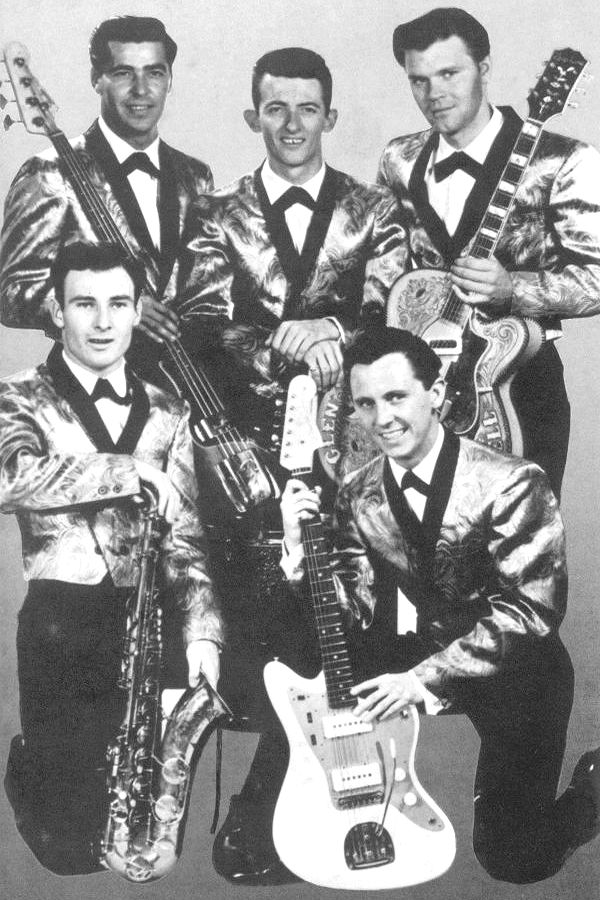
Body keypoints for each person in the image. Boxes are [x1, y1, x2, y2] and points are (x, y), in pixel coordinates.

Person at [176, 47, 409, 885]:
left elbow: (391, 314)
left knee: (349, 615)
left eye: (308, 108)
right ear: (252, 119)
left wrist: (337, 338)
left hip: (354, 451)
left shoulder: (377, 209)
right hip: (247, 457)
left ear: (330, 118)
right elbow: (201, 323)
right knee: (269, 621)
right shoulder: (213, 214)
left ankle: (270, 801)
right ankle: (276, 797)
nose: (292, 124)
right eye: (275, 109)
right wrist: (281, 338)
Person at [280, 325, 600, 885]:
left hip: (514, 668)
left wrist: (420, 680)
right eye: (366, 403)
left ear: (437, 393)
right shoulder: (359, 491)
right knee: (309, 657)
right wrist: (295, 550)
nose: (383, 419)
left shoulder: (513, 482)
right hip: (417, 653)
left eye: (397, 396)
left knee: (514, 859)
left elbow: (531, 613)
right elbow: (351, 611)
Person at [0, 242, 223, 875]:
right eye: (85, 304)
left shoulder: (172, 411)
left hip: (151, 620)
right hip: (61, 625)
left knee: (141, 807)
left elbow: (186, 540)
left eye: (118, 304)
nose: (102, 322)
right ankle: (34, 778)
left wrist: (204, 635)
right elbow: (10, 478)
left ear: (135, 312)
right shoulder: (15, 396)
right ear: (56, 310)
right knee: (68, 850)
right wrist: (123, 469)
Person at [377, 6, 600, 498]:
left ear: (484, 68)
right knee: (421, 542)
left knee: (521, 547)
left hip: (519, 379)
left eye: (449, 73)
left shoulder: (564, 159)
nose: (434, 94)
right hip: (420, 385)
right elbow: (385, 273)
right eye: (419, 80)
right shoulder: (400, 158)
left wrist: (513, 288)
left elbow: (597, 279)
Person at [0, 15, 213, 368]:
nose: (141, 89)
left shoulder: (196, 176)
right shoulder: (48, 172)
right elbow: (10, 295)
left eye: (155, 72)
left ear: (170, 80)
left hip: (184, 387)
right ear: (96, 79)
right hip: (88, 385)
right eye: (123, 73)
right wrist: (117, 306)